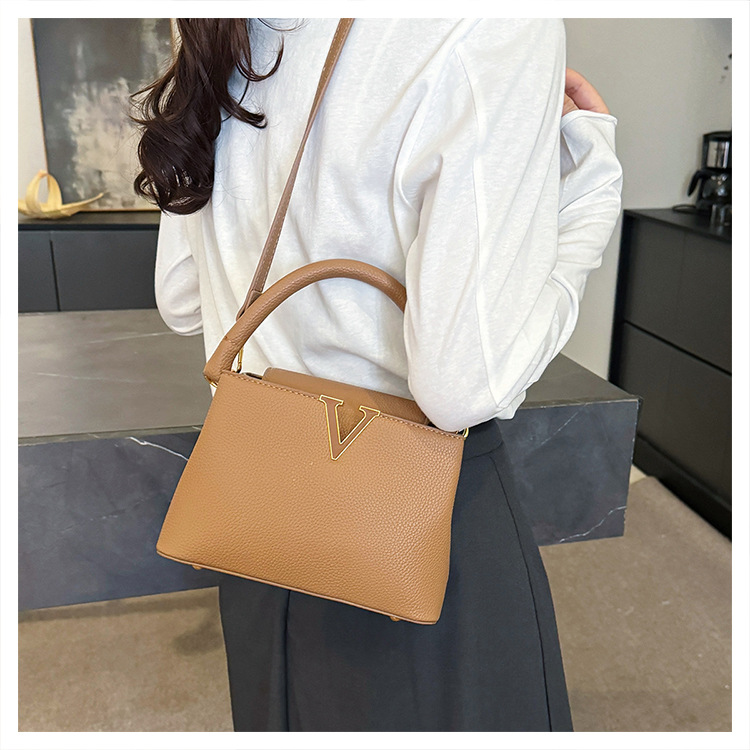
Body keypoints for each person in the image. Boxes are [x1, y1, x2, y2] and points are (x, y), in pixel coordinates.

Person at [133, 18, 623, 732]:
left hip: (260, 515)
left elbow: (181, 297)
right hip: (417, 519)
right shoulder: (493, 23)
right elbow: (461, 387)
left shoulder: (220, 22)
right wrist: (589, 201)